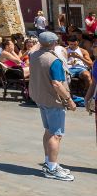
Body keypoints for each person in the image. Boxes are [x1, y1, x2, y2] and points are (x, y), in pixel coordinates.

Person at [29, 31, 76, 181]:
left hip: (40, 99)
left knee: (48, 131)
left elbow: (34, 48)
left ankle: (49, 162)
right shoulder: (53, 61)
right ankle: (52, 168)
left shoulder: (34, 55)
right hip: (53, 101)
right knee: (56, 134)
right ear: (53, 43)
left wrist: (41, 41)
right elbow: (57, 84)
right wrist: (69, 100)